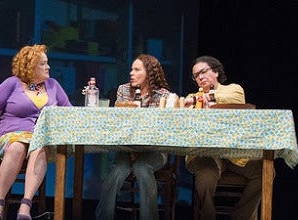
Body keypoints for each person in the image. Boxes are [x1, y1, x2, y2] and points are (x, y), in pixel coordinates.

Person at [0, 44, 72, 220]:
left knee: (40, 147)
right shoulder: (12, 84)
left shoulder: (52, 86)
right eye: (43, 64)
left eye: (47, 63)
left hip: (39, 139)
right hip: (11, 136)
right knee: (18, 146)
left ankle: (25, 206)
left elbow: (69, 113)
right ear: (31, 66)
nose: (48, 67)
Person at [184, 55, 262, 220]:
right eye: (196, 75)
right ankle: (207, 215)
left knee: (264, 171)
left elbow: (236, 101)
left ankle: (242, 215)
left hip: (233, 154)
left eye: (203, 72)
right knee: (206, 174)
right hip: (207, 153)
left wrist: (208, 98)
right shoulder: (192, 98)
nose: (200, 77)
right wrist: (194, 101)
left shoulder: (233, 89)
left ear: (216, 72)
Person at [95, 54, 170, 220]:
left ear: (149, 73)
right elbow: (119, 121)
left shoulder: (162, 95)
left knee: (142, 168)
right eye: (131, 69)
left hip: (154, 150)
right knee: (118, 171)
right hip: (126, 148)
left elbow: (161, 128)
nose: (131, 73)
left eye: (137, 69)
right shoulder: (123, 90)